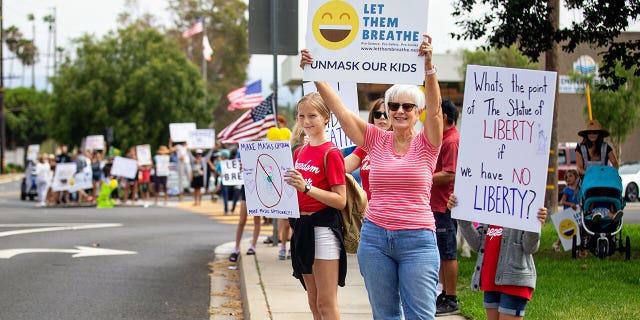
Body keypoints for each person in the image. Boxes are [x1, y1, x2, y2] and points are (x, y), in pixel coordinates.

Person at [300, 34, 442, 319]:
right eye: (394, 106)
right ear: (387, 110)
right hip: (375, 238)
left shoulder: (427, 143)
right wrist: (315, 75)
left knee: (420, 315)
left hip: (418, 240)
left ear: (418, 113)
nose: (400, 111)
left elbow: (437, 112)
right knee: (385, 314)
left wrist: (429, 67)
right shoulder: (375, 140)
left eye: (407, 107)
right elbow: (340, 111)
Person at [283, 91, 347, 320]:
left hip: (323, 230)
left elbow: (341, 200)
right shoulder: (299, 152)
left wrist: (306, 188)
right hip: (301, 228)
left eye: (312, 116)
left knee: (326, 303)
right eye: (301, 116)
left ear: (326, 117)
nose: (306, 122)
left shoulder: (331, 153)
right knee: (312, 300)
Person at [448, 195, 547, 320]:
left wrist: (534, 225)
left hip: (514, 281)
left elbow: (530, 248)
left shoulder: (524, 208)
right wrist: (461, 217)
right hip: (490, 279)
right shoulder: (490, 209)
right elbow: (477, 244)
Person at [430, 99, 461, 316]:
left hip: (444, 206)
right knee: (441, 251)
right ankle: (444, 293)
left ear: (446, 119)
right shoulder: (444, 139)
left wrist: (422, 176)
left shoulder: (451, 141)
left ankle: (451, 297)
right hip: (437, 205)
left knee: (448, 253)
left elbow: (450, 174)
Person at [344, 98, 389, 200]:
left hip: (393, 211)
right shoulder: (366, 146)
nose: (382, 117)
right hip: (368, 212)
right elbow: (340, 167)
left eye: (386, 114)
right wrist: (317, 145)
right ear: (372, 118)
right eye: (377, 114)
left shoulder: (402, 144)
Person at [553, 169, 580, 252]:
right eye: (567, 177)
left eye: (571, 176)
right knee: (567, 230)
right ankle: (557, 244)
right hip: (568, 213)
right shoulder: (567, 190)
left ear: (576, 177)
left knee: (578, 230)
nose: (568, 178)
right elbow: (563, 201)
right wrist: (570, 204)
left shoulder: (580, 189)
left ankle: (577, 246)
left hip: (577, 212)